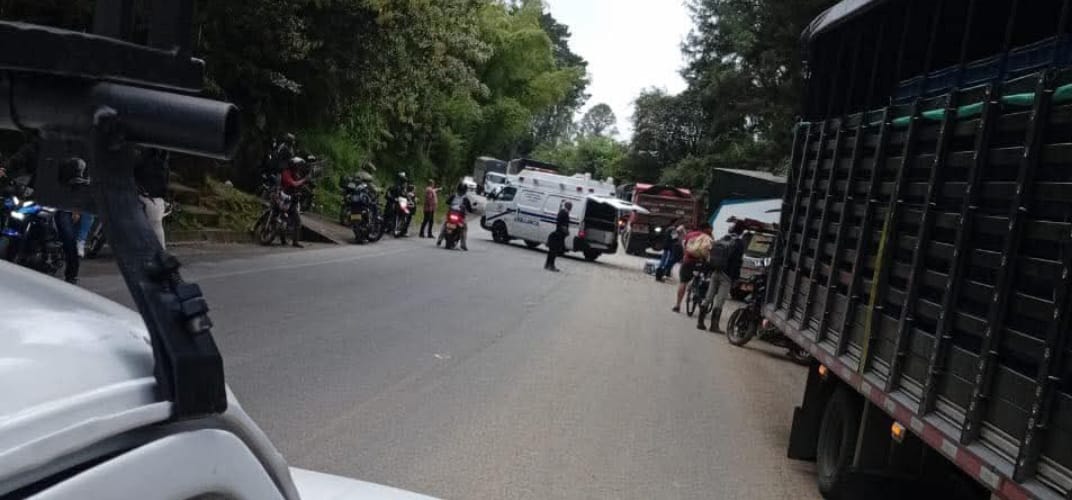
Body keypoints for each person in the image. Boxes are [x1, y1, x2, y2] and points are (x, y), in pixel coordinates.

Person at [696, 222, 746, 332]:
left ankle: (700, 322)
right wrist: (735, 278)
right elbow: (737, 262)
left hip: (715, 271)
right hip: (727, 275)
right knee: (720, 300)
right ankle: (714, 326)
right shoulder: (739, 243)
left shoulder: (723, 238)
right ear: (742, 231)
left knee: (708, 297)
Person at [673, 223, 713, 312]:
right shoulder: (708, 237)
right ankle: (700, 295)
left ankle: (677, 305)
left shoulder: (690, 235)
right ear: (707, 229)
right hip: (702, 263)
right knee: (705, 279)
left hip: (688, 261)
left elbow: (684, 246)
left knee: (683, 282)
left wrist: (685, 256)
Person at [134, 148, 169, 248]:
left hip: (146, 196)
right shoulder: (162, 163)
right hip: (157, 198)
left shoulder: (142, 161)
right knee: (156, 225)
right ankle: (160, 251)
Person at [280, 156, 307, 248]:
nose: (298, 167)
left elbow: (299, 184)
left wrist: (304, 183)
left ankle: (295, 241)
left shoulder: (296, 174)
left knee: (298, 221)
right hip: (283, 197)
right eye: (297, 166)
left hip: (292, 200)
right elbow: (293, 184)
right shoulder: (286, 173)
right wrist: (304, 180)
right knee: (273, 211)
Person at [437, 183, 473, 250]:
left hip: (455, 215)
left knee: (446, 224)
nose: (461, 192)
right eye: (461, 190)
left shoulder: (456, 196)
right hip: (457, 215)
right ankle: (463, 244)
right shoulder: (464, 198)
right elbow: (470, 209)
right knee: (463, 227)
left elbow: (447, 202)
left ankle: (440, 239)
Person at [544, 200, 572, 272]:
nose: (571, 208)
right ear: (568, 206)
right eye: (570, 206)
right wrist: (566, 231)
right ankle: (551, 265)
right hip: (558, 235)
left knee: (552, 251)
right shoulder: (564, 213)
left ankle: (547, 264)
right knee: (554, 251)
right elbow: (562, 224)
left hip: (558, 234)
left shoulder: (563, 212)